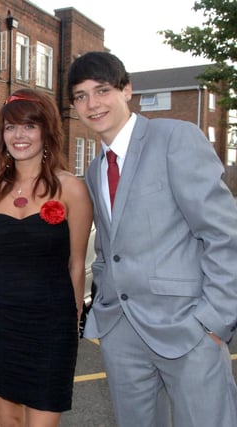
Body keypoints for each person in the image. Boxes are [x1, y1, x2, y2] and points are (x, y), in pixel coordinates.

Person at [67, 51, 237, 427]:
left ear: (127, 90)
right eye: (80, 96)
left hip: (188, 328)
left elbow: (223, 235)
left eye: (103, 90)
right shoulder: (96, 168)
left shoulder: (175, 138)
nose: (92, 104)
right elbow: (110, 248)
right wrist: (105, 314)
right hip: (122, 333)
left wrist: (215, 321)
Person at [0, 88, 93, 427]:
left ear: (46, 131)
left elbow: (76, 264)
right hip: (0, 318)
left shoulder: (71, 189)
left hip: (52, 322)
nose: (18, 135)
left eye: (28, 126)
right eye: (10, 127)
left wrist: (73, 318)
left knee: (42, 421)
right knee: (5, 418)